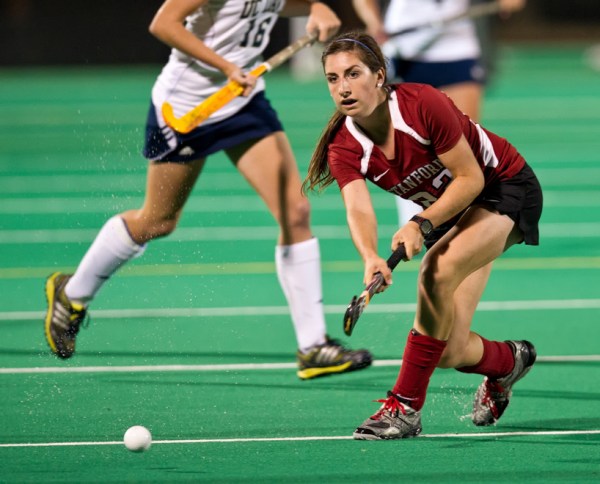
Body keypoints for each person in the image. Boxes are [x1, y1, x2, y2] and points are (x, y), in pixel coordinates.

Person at [44, 0, 373, 381]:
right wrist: (226, 66)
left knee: (295, 211)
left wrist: (315, 7)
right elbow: (164, 24)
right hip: (188, 108)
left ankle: (313, 346)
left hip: (243, 101)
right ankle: (73, 293)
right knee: (158, 220)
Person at [303, 31, 542, 439]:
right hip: (451, 215)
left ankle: (405, 408)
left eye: (353, 73)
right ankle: (508, 362)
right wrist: (369, 256)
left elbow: (470, 179)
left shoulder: (420, 104)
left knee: (435, 270)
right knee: (449, 350)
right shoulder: (344, 145)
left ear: (379, 76)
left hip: (503, 187)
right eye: (332, 78)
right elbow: (358, 207)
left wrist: (420, 223)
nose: (342, 87)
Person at [352, 0, 526, 226]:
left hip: (456, 48)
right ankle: (415, 223)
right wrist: (373, 22)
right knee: (408, 151)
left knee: (465, 146)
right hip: (404, 49)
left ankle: (462, 231)